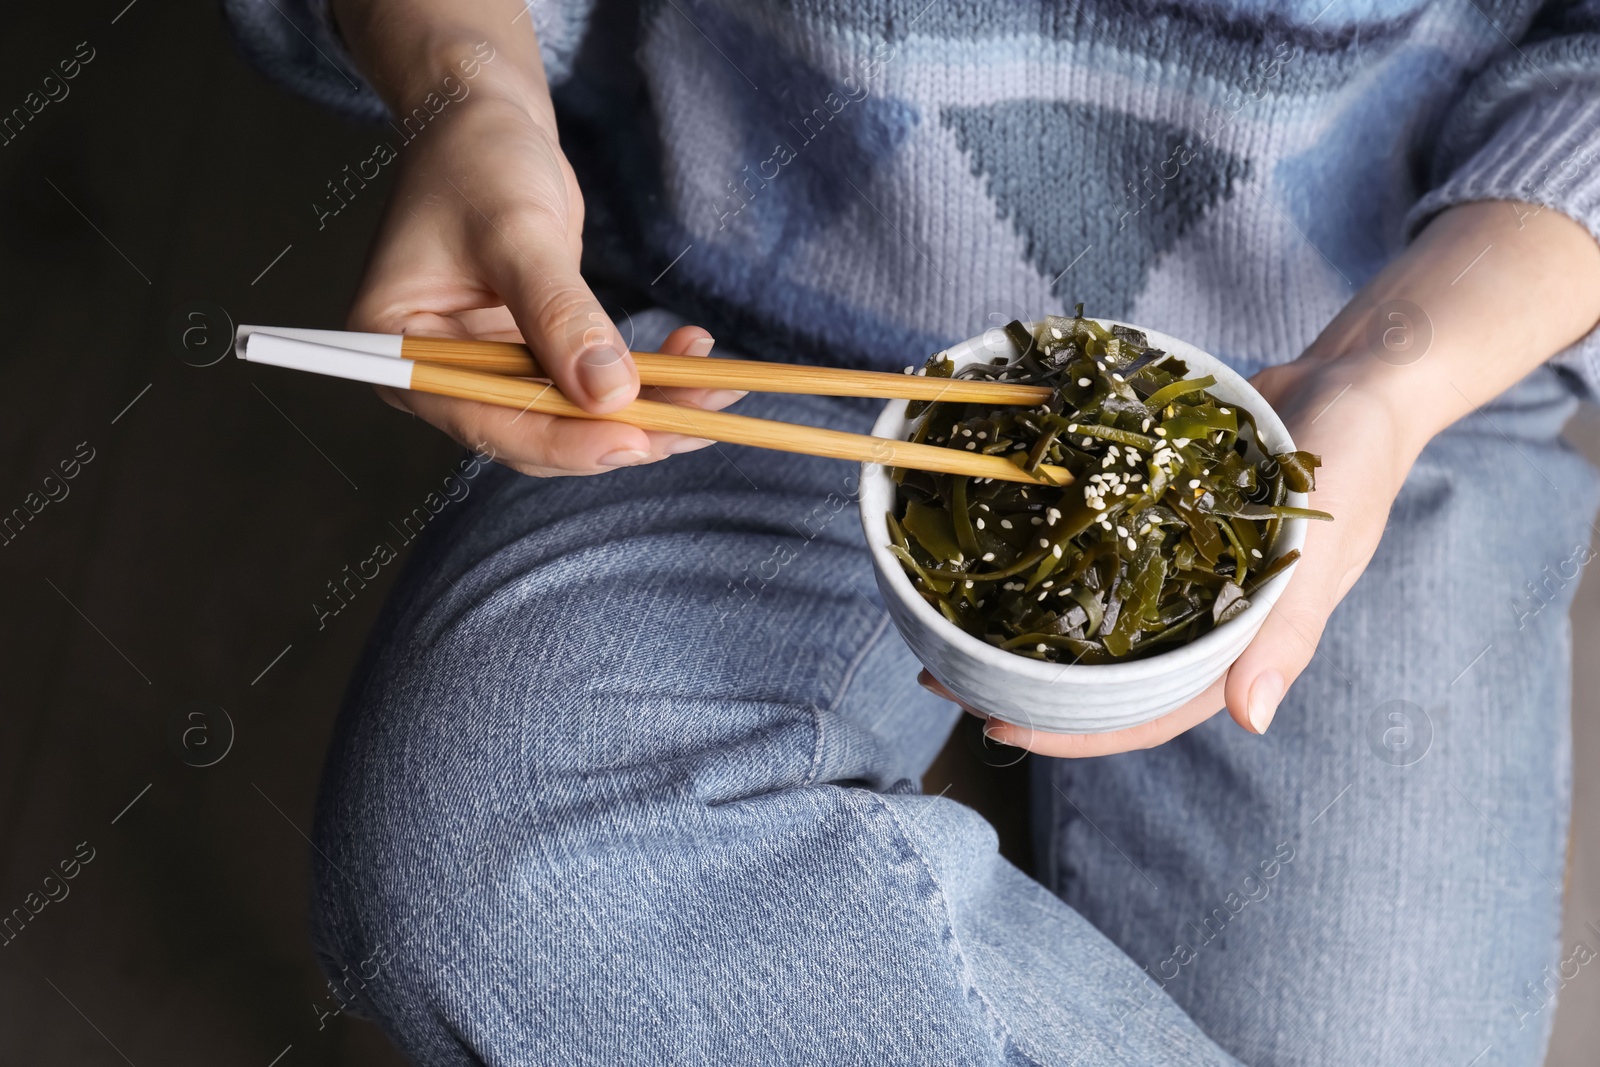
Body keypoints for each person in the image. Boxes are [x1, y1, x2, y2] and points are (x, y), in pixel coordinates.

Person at [223, 0, 1600, 1062]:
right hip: (738, 317)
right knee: (494, 888)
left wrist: (1393, 374)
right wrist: (469, 91)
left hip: (1388, 356)